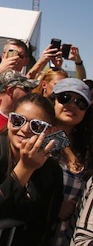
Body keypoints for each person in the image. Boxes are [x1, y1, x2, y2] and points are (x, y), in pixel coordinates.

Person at [0, 93, 63, 245]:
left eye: (37, 126)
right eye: (18, 120)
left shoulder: (52, 171)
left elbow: (44, 228)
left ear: (50, 132)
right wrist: (25, 169)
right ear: (9, 121)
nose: (24, 129)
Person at [49, 78, 93, 245]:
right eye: (65, 98)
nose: (72, 105)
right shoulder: (41, 137)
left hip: (69, 236)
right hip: (41, 233)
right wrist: (55, 208)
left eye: (80, 102)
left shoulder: (86, 146)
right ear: (53, 100)